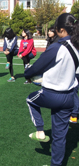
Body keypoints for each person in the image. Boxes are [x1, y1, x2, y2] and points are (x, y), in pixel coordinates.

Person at [25, 13, 79, 166]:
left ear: (61, 29)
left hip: (52, 94)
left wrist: (27, 73)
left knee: (30, 99)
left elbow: (37, 67)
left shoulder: (57, 47)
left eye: (55, 29)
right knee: (60, 136)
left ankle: (40, 131)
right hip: (69, 97)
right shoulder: (77, 46)